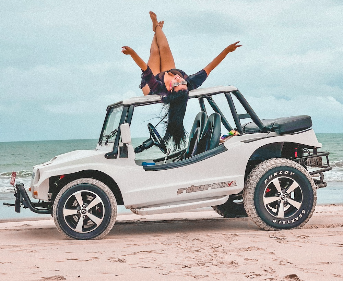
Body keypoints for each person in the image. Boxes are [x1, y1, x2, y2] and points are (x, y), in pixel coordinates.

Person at [122, 11, 241, 150]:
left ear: (171, 89)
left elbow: (145, 69)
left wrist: (132, 53)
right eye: (183, 83)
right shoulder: (189, 81)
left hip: (151, 84)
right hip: (167, 73)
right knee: (165, 47)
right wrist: (227, 50)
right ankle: (156, 27)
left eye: (178, 83)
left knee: (155, 52)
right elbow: (211, 67)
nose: (180, 80)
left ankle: (156, 29)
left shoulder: (159, 88)